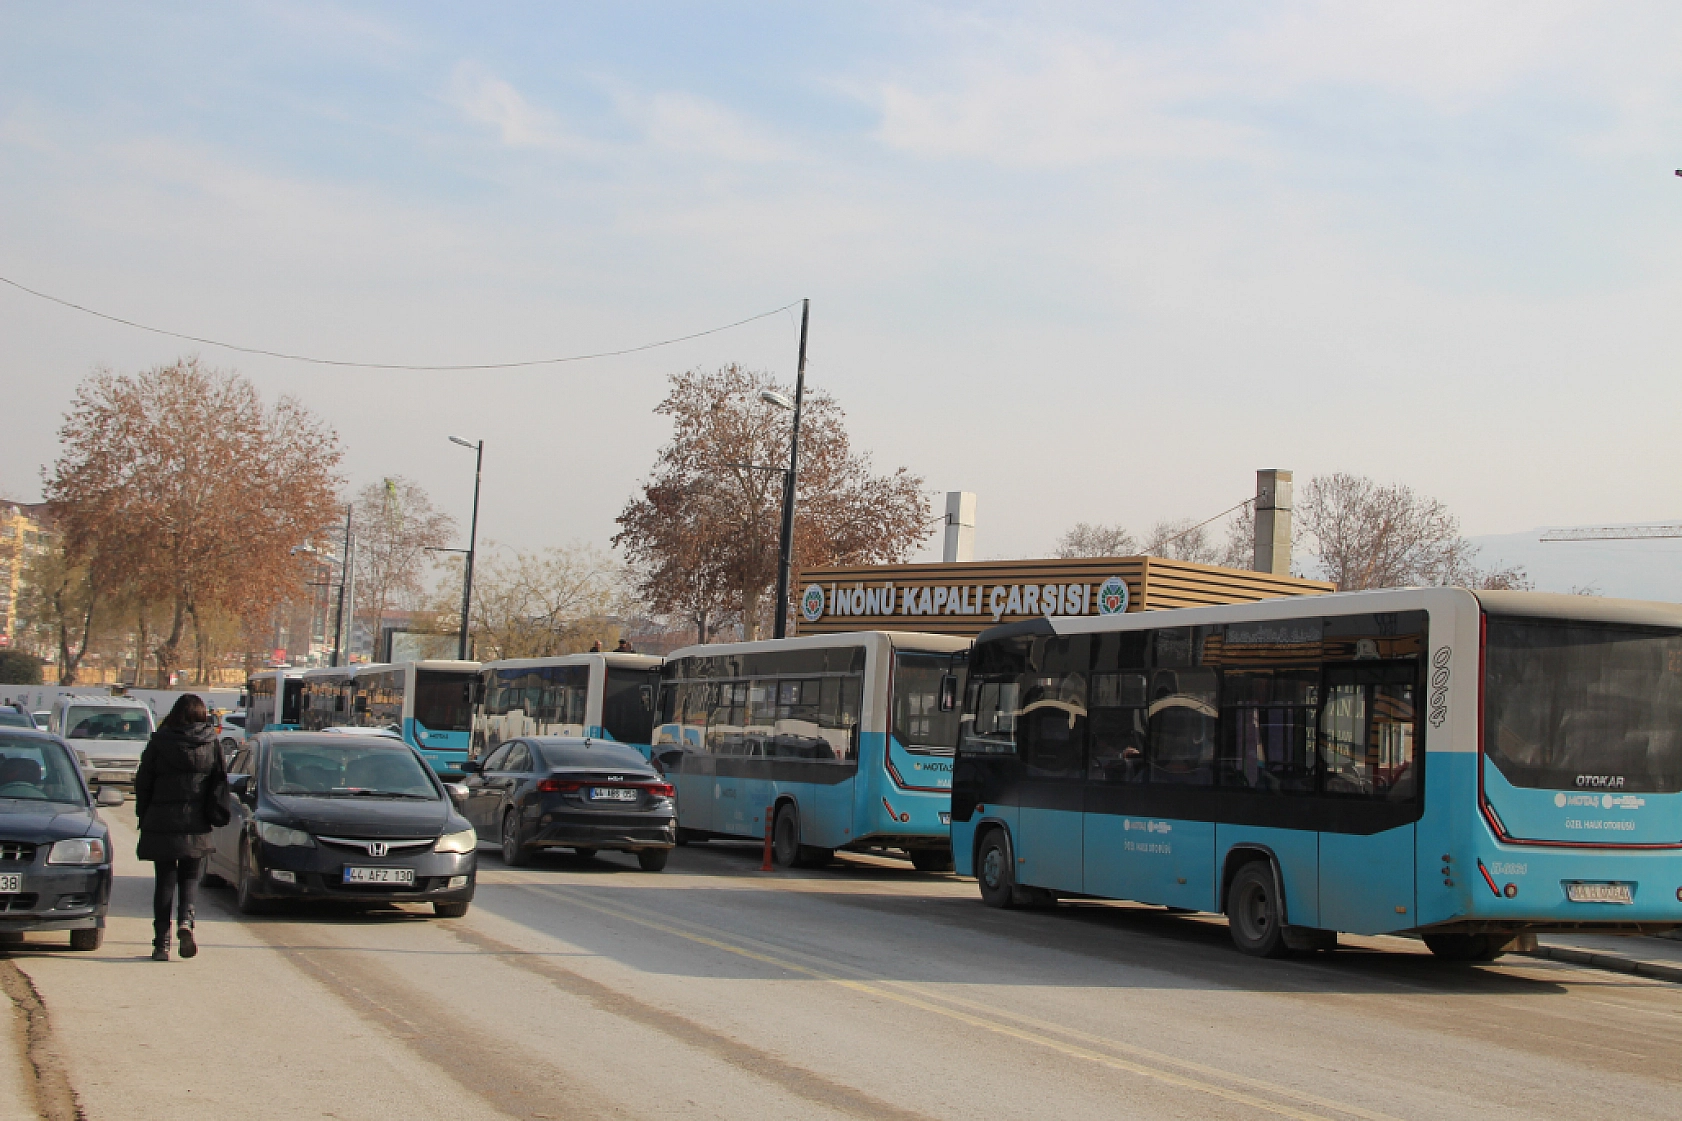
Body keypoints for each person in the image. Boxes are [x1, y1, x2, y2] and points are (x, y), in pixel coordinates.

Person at [133, 694, 229, 962]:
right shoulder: (211, 743)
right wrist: (215, 813)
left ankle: (161, 943)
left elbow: (143, 782)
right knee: (189, 876)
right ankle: (186, 920)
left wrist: (144, 813)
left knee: (164, 880)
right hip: (196, 822)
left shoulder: (159, 742)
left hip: (161, 820)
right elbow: (219, 781)